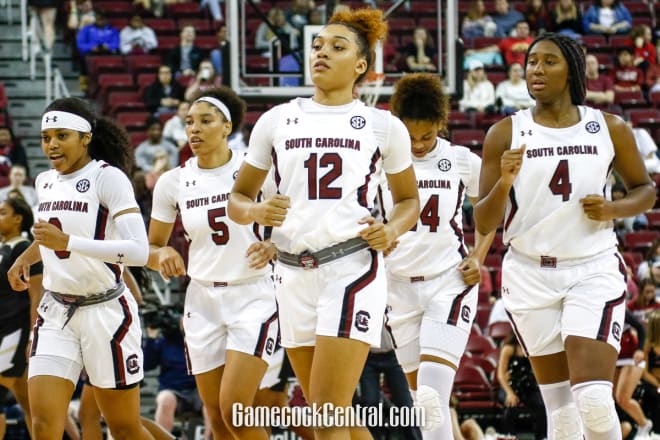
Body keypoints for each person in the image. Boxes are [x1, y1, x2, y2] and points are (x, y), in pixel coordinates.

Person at [228, 7, 420, 439]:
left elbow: (410, 202)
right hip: (292, 273)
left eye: (337, 47)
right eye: (317, 45)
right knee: (328, 413)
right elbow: (237, 200)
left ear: (361, 65)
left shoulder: (382, 126)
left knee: (328, 414)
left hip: (350, 269)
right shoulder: (276, 119)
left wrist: (391, 229)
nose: (321, 53)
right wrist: (257, 211)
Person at [474, 33, 656, 440]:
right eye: (532, 62)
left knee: (592, 399)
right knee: (562, 413)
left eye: (548, 62)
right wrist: (503, 182)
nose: (536, 69)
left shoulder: (608, 128)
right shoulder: (505, 133)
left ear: (572, 70)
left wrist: (613, 209)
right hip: (528, 274)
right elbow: (484, 221)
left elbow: (646, 190)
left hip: (590, 269)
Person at [6, 97, 155, 440]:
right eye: (46, 137)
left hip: (106, 312)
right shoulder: (44, 182)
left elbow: (138, 250)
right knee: (44, 425)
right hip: (57, 311)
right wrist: (25, 258)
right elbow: (50, 234)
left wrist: (67, 242)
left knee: (124, 428)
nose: (52, 144)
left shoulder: (108, 178)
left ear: (85, 137)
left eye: (62, 135)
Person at [147, 87, 280, 440]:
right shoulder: (172, 182)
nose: (195, 129)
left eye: (206, 121)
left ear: (227, 126)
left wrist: (275, 245)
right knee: (217, 418)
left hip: (253, 294)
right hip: (202, 299)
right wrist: (163, 254)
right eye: (189, 122)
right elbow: (152, 246)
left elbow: (295, 217)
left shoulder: (256, 168)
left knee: (236, 408)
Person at [384, 72, 494, 438]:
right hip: (395, 288)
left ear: (441, 124)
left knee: (431, 398)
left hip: (447, 282)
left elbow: (490, 213)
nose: (416, 144)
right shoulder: (378, 163)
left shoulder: (461, 160)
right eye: (409, 135)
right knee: (426, 403)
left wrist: (478, 256)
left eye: (426, 135)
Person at [0, 197, 42, 439]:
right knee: (29, 402)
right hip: (3, 328)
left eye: (3, 212)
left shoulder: (24, 248)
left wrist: (33, 337)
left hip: (16, 329)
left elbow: (37, 294)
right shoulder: (3, 247)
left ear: (18, 219)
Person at [496, 331, 547, 439]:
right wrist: (509, 393)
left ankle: (542, 437)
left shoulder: (533, 348)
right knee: (511, 405)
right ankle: (510, 436)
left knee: (542, 406)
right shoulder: (509, 348)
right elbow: (500, 374)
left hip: (528, 387)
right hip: (510, 387)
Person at [614, 310, 653, 438]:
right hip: (615, 357)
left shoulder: (616, 307)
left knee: (623, 399)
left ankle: (644, 424)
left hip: (632, 356)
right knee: (615, 399)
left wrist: (640, 349)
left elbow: (641, 328)